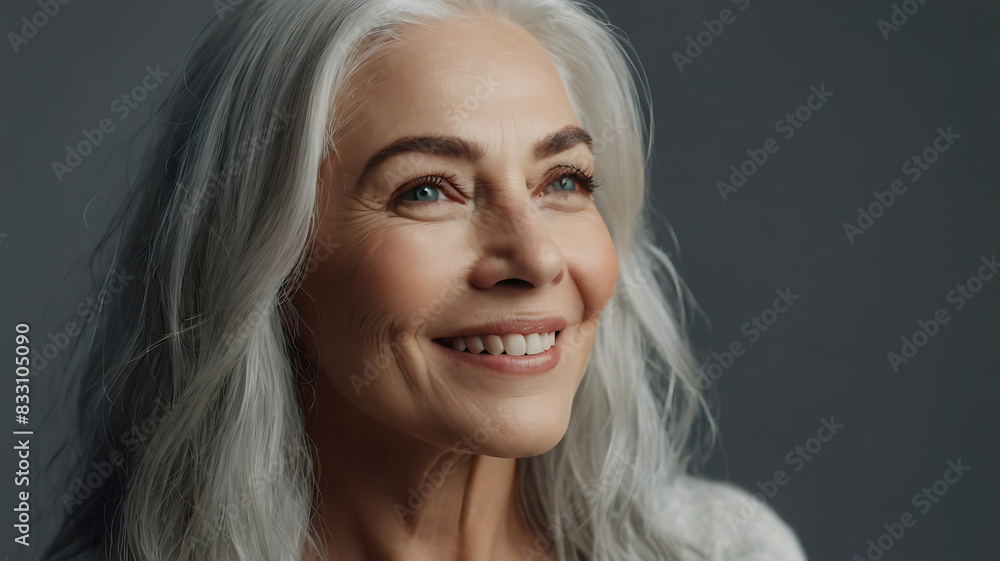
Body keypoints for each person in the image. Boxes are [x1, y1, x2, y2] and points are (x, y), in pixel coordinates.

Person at [43, 0, 807, 559]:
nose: (537, 259)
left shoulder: (726, 548)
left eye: (563, 181)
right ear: (261, 258)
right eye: (427, 189)